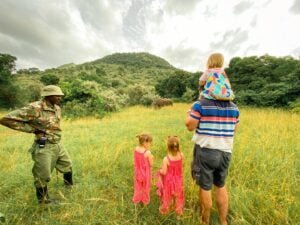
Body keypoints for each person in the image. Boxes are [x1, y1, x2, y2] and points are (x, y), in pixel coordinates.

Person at [0, 85, 73, 204]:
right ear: (48, 96)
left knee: (67, 165)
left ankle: (69, 186)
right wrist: (33, 130)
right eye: (56, 95)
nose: (60, 97)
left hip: (58, 143)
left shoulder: (57, 108)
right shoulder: (34, 108)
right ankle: (44, 201)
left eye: (60, 95)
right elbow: (5, 119)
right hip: (44, 146)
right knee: (42, 175)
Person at [185, 97, 239, 225]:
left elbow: (190, 126)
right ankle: (223, 221)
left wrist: (188, 114)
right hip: (225, 152)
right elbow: (234, 129)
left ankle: (205, 222)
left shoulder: (200, 104)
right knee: (220, 185)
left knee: (205, 187)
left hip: (206, 151)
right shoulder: (234, 107)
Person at [155, 136, 184, 216]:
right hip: (178, 179)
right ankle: (178, 208)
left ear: (168, 147)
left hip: (169, 181)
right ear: (178, 146)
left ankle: (166, 209)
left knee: (168, 195)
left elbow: (164, 172)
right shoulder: (181, 155)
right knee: (177, 194)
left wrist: (159, 170)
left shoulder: (166, 159)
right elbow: (182, 166)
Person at [132, 133, 154, 206]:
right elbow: (151, 164)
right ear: (145, 143)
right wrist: (152, 158)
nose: (150, 145)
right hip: (145, 173)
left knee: (138, 186)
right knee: (146, 187)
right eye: (149, 143)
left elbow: (134, 160)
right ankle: (145, 201)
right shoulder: (147, 152)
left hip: (137, 171)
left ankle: (136, 200)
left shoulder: (136, 149)